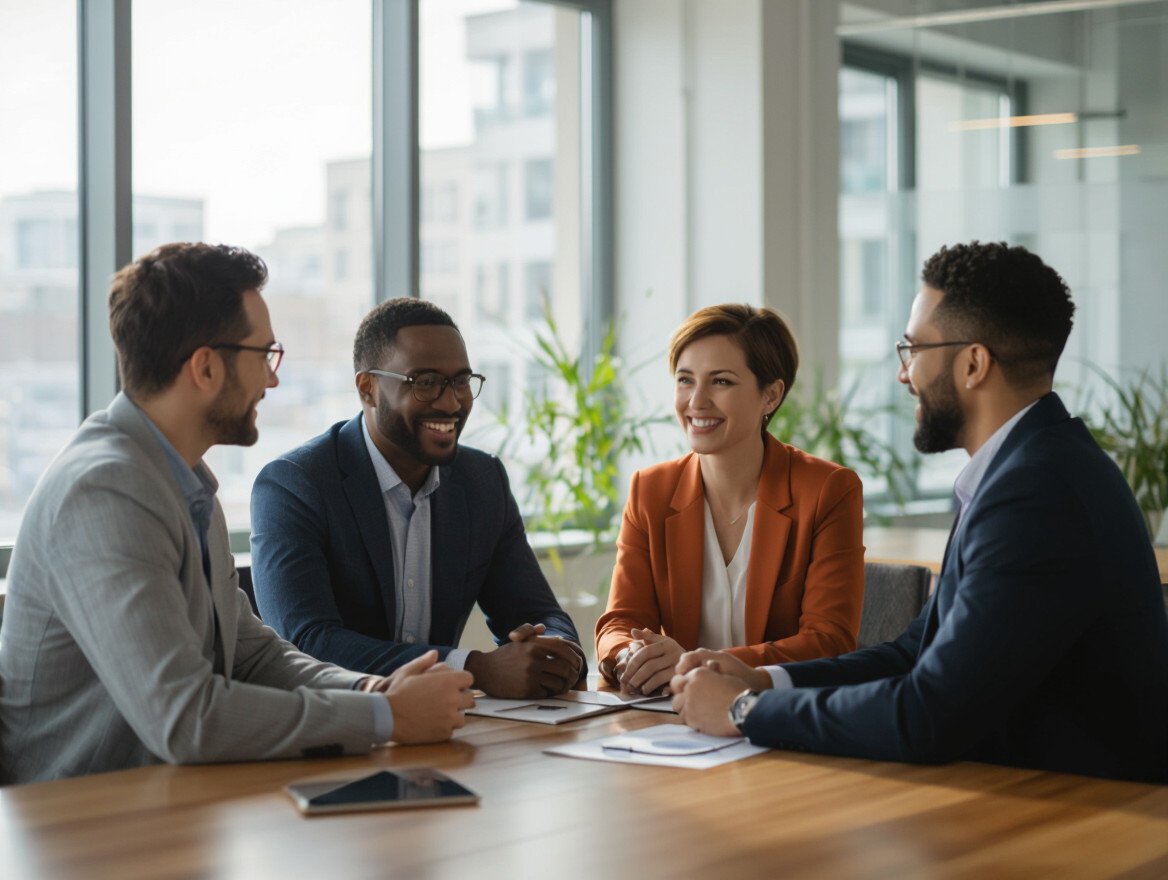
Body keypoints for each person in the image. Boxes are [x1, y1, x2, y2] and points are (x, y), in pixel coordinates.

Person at [670, 242, 1168, 784]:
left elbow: (927, 714)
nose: (905, 375)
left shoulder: (1037, 493)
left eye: (914, 350)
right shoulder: (1026, 466)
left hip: (1088, 820)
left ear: (974, 363)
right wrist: (763, 681)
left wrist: (743, 712)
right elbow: (917, 650)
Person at [0, 244, 473, 785]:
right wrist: (386, 718)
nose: (272, 381)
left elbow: (250, 654)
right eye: (264, 355)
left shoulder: (184, 482)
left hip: (168, 806)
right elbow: (185, 717)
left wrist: (370, 690)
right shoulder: (104, 491)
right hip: (80, 831)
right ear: (205, 367)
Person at [250, 298, 585, 699]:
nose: (451, 402)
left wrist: (558, 651)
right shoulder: (295, 484)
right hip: (331, 728)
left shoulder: (481, 481)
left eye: (461, 381)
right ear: (368, 388)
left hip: (440, 729)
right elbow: (308, 643)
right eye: (424, 382)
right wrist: (473, 668)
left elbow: (538, 612)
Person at [595, 304, 865, 696]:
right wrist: (630, 657)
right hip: (675, 719)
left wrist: (698, 664)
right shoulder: (650, 491)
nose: (696, 401)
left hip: (778, 715)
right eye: (685, 381)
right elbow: (619, 622)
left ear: (770, 395)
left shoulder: (827, 490)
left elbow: (829, 641)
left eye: (720, 382)